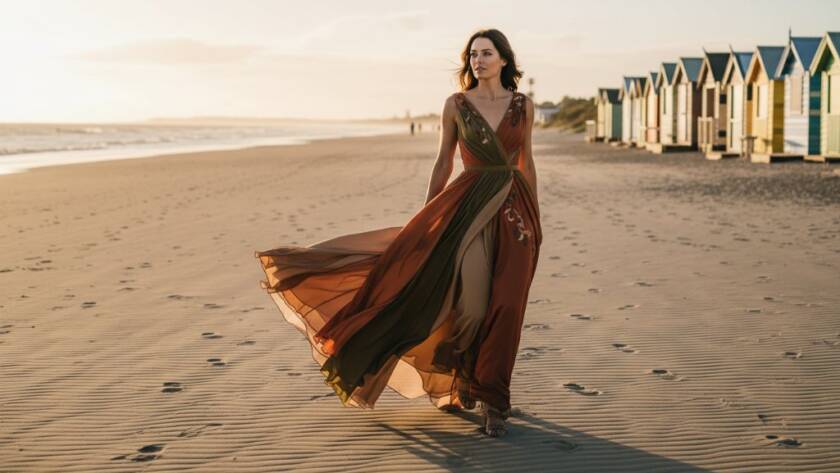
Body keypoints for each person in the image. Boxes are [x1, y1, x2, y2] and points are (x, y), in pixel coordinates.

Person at [255, 28, 541, 437]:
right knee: (474, 307)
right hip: (467, 209)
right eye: (473, 55)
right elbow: (443, 162)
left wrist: (535, 216)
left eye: (487, 53)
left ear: (504, 60)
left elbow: (527, 163)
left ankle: (494, 401)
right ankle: (462, 374)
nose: (478, 61)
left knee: (509, 305)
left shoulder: (522, 105)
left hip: (514, 214)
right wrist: (425, 220)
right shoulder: (456, 105)